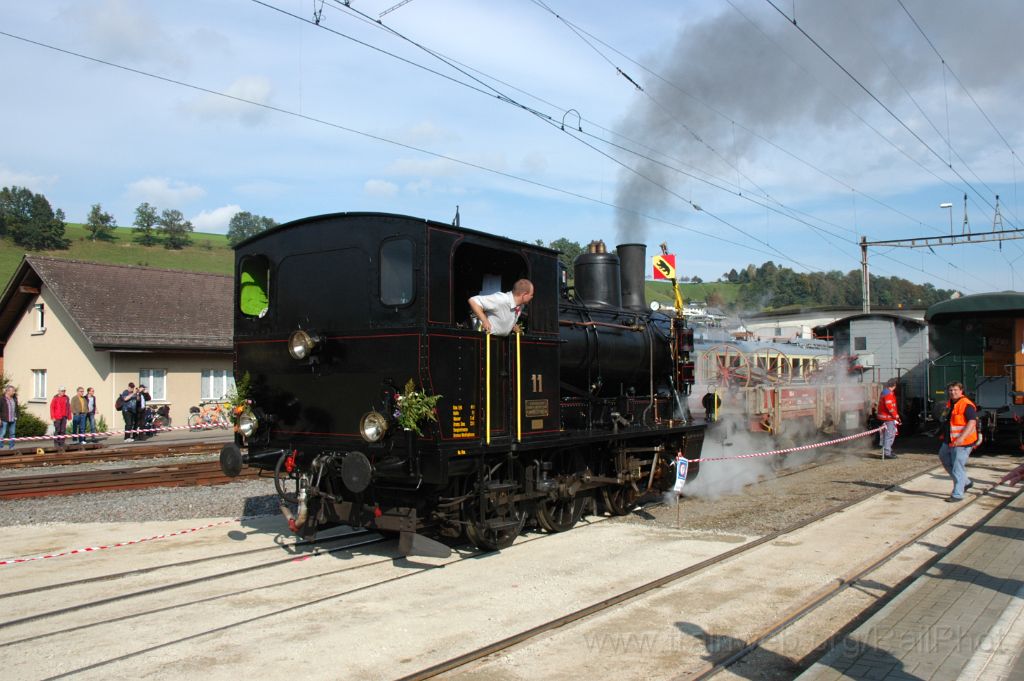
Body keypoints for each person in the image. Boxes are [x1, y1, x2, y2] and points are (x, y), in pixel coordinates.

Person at [937, 381, 978, 502]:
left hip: (962, 442)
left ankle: (958, 494)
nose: (952, 392)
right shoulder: (950, 404)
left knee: (957, 467)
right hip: (949, 440)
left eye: (955, 390)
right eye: (950, 390)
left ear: (961, 391)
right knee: (944, 457)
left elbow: (972, 422)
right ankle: (965, 482)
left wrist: (961, 438)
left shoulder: (966, 404)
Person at [468, 278, 534, 336]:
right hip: (485, 339)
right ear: (524, 295)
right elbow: (473, 301)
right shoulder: (501, 299)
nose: (532, 297)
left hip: (500, 340)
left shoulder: (520, 306)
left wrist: (511, 327)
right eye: (531, 295)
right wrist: (484, 320)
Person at [877, 378, 901, 459]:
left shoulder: (885, 392)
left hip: (884, 416)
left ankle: (888, 450)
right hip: (888, 417)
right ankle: (887, 452)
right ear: (894, 385)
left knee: (887, 434)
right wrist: (896, 416)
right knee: (889, 435)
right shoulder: (889, 394)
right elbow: (890, 407)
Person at [1, 384, 17, 449]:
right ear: (8, 391)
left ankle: (11, 447)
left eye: (14, 391)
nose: (14, 392)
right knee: (2, 433)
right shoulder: (2, 399)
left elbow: (17, 408)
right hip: (4, 419)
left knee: (12, 434)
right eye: (13, 391)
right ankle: (0, 447)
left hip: (13, 419)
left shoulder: (14, 399)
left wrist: (17, 416)